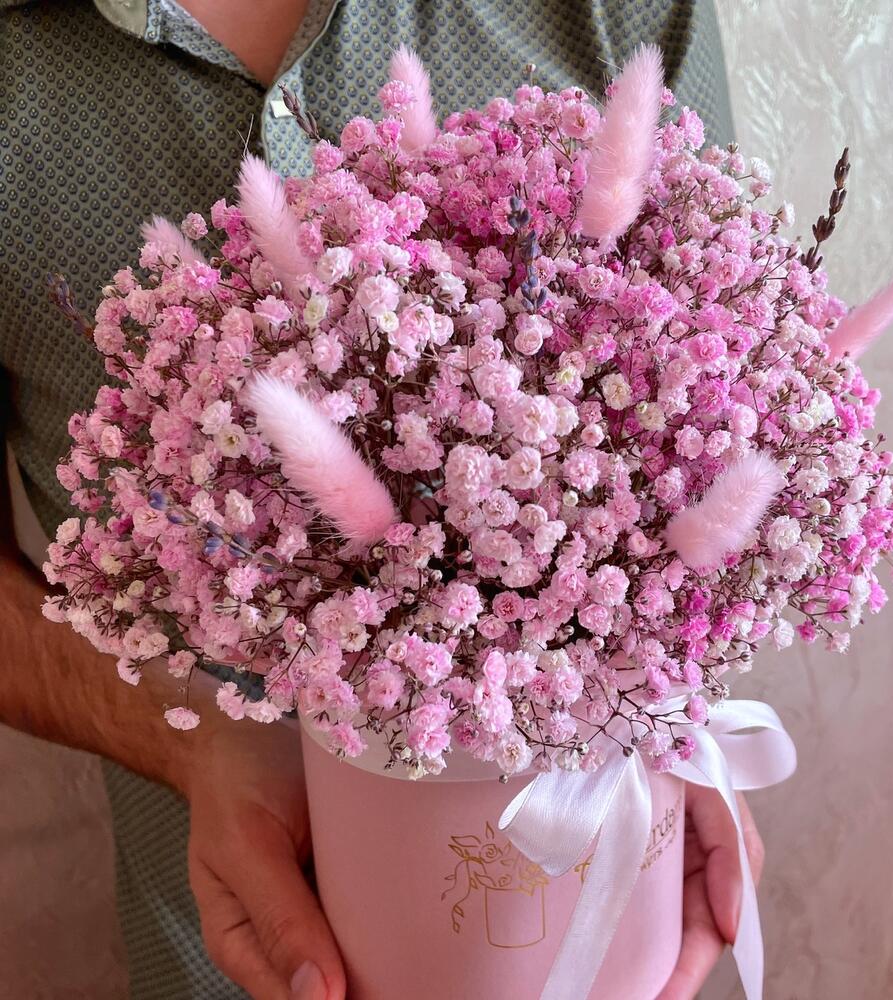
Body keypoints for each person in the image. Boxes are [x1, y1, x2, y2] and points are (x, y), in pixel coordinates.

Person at [0, 1, 763, 997]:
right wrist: (191, 740)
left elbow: (724, 409)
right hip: (226, 956)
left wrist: (681, 714)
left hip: (611, 913)